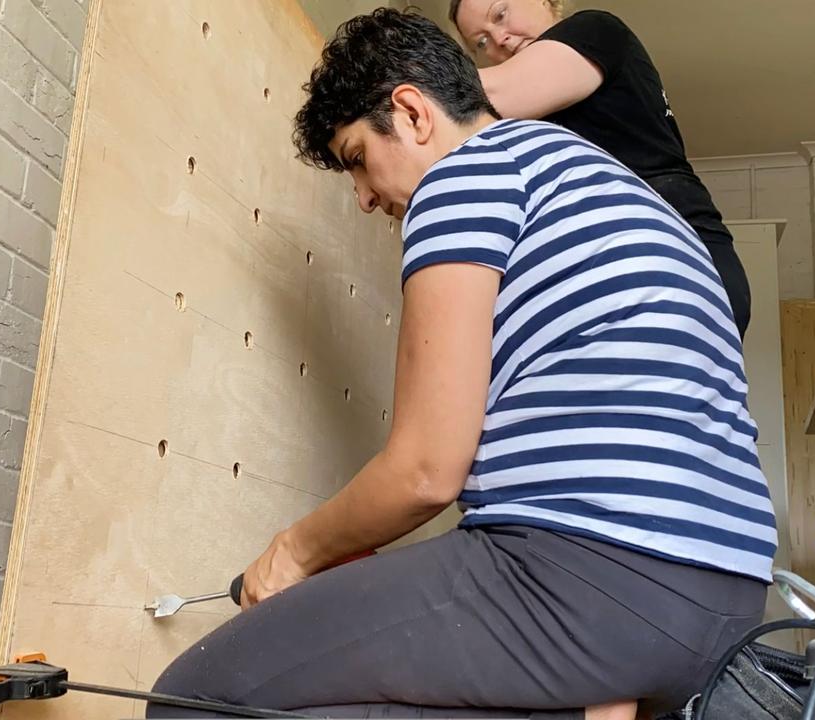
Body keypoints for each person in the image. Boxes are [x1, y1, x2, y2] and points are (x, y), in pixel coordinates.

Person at [149, 9, 775, 719]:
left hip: (591, 580)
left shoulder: (466, 176)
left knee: (195, 696)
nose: (362, 198)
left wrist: (293, 552)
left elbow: (426, 471)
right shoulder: (605, 181)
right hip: (726, 603)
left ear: (412, 112)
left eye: (356, 158)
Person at [450, 0, 753, 339]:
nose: (499, 39)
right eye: (481, 42)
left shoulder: (593, 30)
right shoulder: (528, 125)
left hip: (681, 252)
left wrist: (402, 99)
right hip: (622, 271)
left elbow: (493, 94)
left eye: (500, 15)